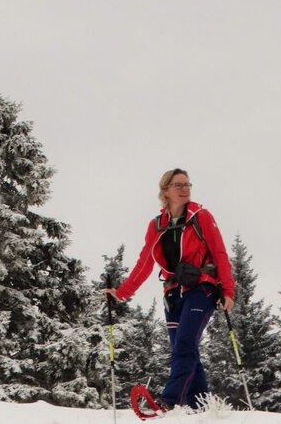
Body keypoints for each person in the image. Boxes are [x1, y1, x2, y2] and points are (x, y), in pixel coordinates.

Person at [103, 168, 235, 409]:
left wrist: (227, 290)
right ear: (165, 191)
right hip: (173, 293)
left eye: (187, 184)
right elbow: (145, 262)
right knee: (183, 348)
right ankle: (200, 407)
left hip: (201, 289)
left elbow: (219, 252)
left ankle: (169, 401)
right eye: (178, 185)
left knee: (184, 344)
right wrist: (121, 292)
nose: (185, 189)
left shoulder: (201, 216)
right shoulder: (157, 225)